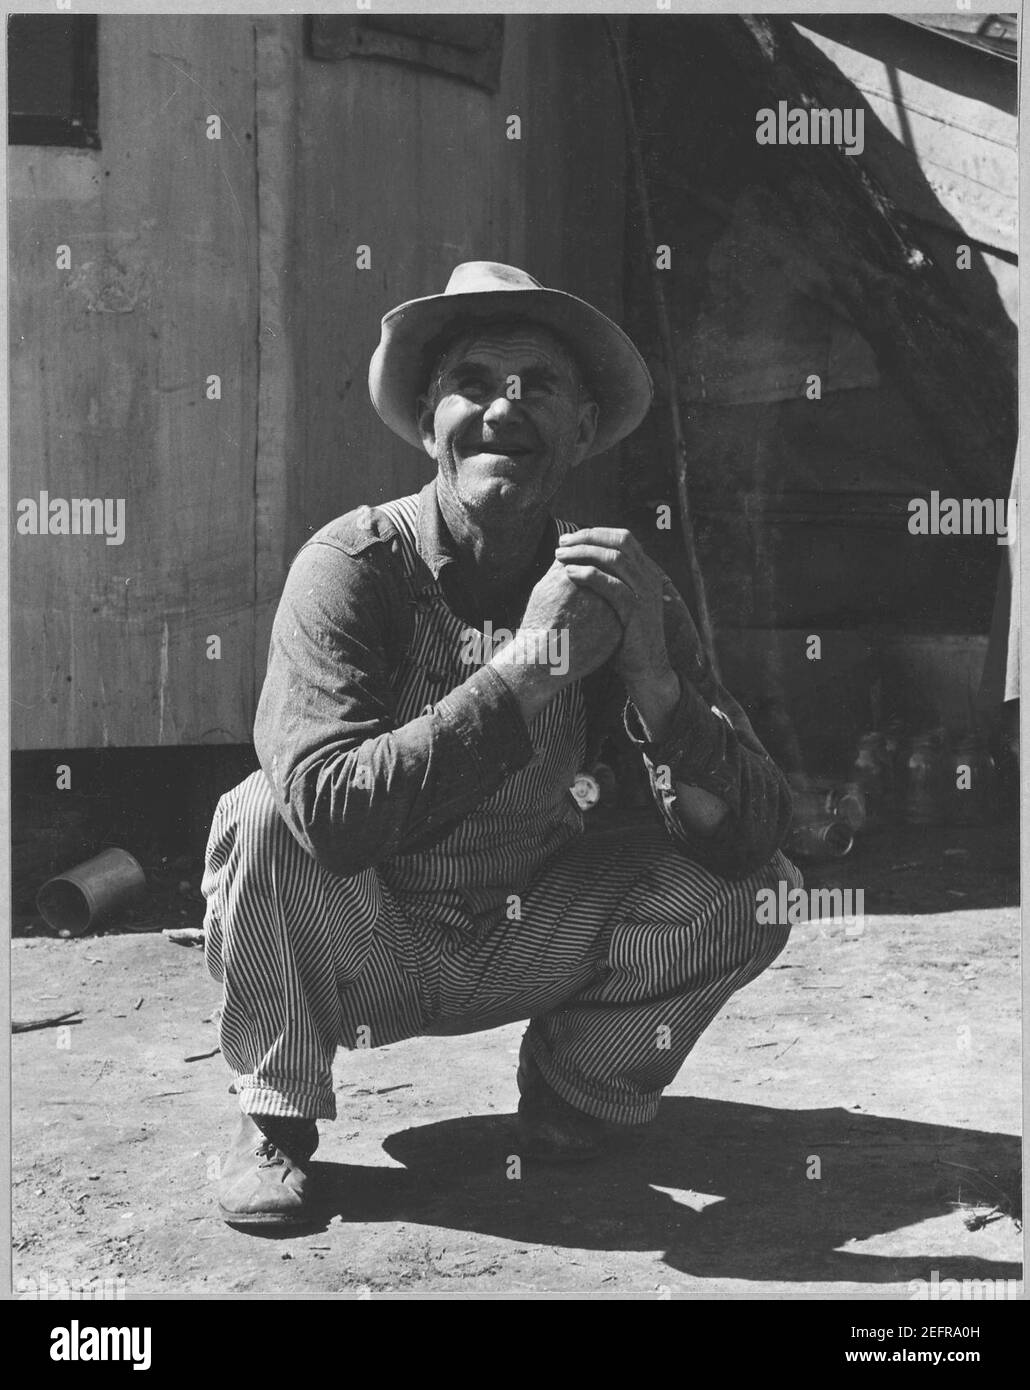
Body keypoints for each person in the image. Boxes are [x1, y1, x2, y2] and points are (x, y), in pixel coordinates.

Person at [201, 261, 801, 1228]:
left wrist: (654, 678)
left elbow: (753, 832)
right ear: (430, 418)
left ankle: (579, 1096)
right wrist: (532, 668)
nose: (502, 410)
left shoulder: (615, 580)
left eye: (540, 389)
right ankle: (276, 1118)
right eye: (473, 383)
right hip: (368, 942)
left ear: (583, 427)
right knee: (264, 814)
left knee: (759, 885)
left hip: (530, 929)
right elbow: (328, 813)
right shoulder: (352, 567)